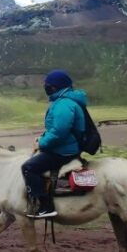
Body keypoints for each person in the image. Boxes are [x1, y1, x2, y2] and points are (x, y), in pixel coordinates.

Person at [22, 70, 87, 219]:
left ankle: (45, 207)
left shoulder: (64, 104)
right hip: (68, 146)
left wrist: (43, 143)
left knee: (28, 167)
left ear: (56, 87)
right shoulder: (65, 101)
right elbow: (56, 130)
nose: (46, 87)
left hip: (63, 151)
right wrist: (42, 138)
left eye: (48, 85)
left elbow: (59, 132)